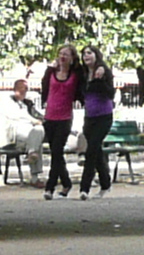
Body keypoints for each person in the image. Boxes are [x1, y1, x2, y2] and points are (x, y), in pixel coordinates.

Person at [40, 43, 82, 200]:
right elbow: (44, 89)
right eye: (60, 53)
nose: (63, 56)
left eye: (66, 54)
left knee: (57, 150)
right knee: (56, 153)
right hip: (50, 116)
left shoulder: (76, 75)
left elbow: (82, 88)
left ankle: (49, 187)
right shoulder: (50, 72)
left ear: (72, 58)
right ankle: (66, 182)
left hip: (64, 118)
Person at [77, 45, 117, 194]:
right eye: (84, 54)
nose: (86, 56)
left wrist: (99, 79)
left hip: (104, 116)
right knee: (97, 150)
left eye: (89, 53)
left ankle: (84, 188)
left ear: (96, 55)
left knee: (91, 149)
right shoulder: (82, 73)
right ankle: (105, 184)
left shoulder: (104, 72)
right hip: (89, 117)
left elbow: (110, 93)